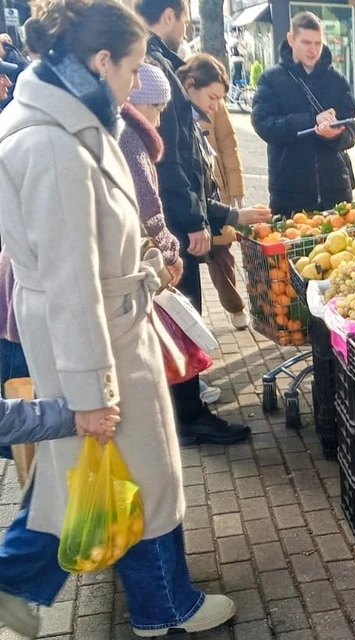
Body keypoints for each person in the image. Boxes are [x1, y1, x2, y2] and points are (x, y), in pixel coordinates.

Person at [0, 0, 237, 636]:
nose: (137, 83)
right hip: (98, 338)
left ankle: (29, 583)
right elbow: (72, 281)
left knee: (96, 477)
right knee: (129, 475)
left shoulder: (73, 120)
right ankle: (163, 606)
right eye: (133, 68)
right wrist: (91, 393)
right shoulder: (55, 143)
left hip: (109, 324)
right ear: (101, 61)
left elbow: (94, 246)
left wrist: (146, 260)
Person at [137, 0, 266, 445]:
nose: (214, 109)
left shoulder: (165, 71)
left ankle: (185, 405)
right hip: (176, 228)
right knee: (182, 314)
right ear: (167, 15)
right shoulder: (159, 76)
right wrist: (194, 222)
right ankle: (188, 414)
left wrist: (229, 213)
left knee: (181, 315)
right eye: (211, 99)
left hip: (182, 221)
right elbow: (171, 168)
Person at [252, 10, 355, 217]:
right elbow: (264, 124)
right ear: (291, 39)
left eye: (318, 43)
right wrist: (311, 121)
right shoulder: (271, 79)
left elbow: (354, 126)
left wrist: (337, 135)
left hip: (336, 189)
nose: (313, 50)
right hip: (290, 191)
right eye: (306, 43)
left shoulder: (336, 80)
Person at [178, 53, 249, 329]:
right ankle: (190, 325)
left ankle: (234, 307)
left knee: (221, 256)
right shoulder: (178, 113)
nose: (216, 105)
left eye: (221, 98)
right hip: (192, 203)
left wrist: (236, 192)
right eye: (213, 97)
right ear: (190, 85)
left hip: (215, 195)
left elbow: (229, 148)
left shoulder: (216, 109)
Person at [119, 61, 184, 285]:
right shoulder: (130, 140)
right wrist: (169, 251)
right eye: (158, 108)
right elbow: (147, 203)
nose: (158, 120)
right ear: (141, 102)